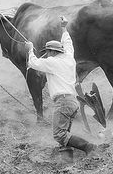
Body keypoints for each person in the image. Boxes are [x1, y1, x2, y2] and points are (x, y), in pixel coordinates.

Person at [25, 16, 97, 161]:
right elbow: (67, 41)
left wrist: (30, 49)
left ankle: (89, 147)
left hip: (63, 102)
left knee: (59, 134)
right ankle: (67, 160)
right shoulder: (69, 57)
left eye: (47, 51)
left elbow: (33, 63)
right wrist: (64, 27)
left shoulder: (51, 62)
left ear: (51, 52)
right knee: (64, 131)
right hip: (72, 101)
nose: (47, 53)